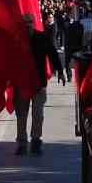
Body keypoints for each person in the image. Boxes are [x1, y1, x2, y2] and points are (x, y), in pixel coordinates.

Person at [15, 16, 62, 155]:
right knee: (21, 114)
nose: (28, 25)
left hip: (39, 83)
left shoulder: (41, 38)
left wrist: (60, 71)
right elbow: (9, 60)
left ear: (34, 24)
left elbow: (53, 54)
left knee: (38, 114)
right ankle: (22, 143)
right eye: (25, 23)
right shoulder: (17, 39)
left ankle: (36, 140)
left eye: (30, 22)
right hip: (22, 83)